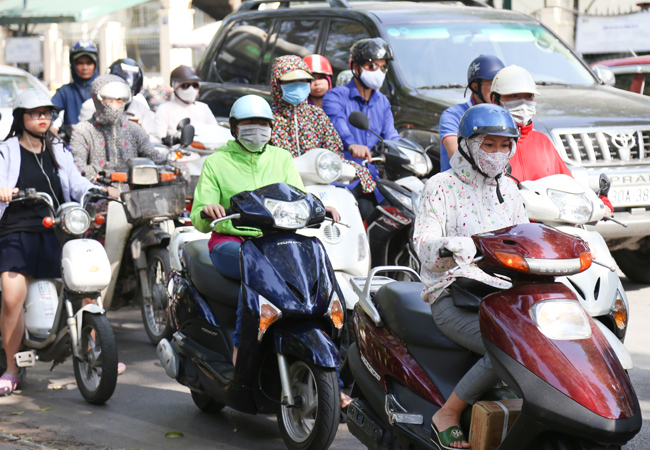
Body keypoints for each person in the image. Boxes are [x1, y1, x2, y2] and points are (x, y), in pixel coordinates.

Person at [413, 104, 527, 449]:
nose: (497, 153)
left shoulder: (510, 190)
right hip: (453, 296)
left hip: (504, 297)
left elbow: (523, 240)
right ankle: (447, 413)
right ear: (466, 145)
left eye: (504, 145)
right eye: (488, 144)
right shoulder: (440, 186)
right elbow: (423, 245)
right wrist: (451, 246)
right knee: (507, 348)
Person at [0, 90, 108, 395]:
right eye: (35, 113)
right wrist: (4, 190)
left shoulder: (57, 148)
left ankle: (100, 351)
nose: (42, 118)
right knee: (11, 297)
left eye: (47, 112)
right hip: (17, 229)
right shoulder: (6, 151)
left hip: (57, 226)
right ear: (21, 118)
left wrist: (95, 190)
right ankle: (11, 367)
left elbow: (74, 180)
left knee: (87, 288)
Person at [189, 95, 304, 367]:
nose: (257, 128)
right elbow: (198, 215)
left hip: (276, 243)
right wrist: (208, 210)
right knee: (256, 269)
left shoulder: (282, 158)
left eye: (263, 123)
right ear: (234, 127)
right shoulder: (217, 162)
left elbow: (301, 197)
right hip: (230, 242)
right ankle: (242, 350)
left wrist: (324, 208)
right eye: (249, 123)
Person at [489, 65, 614, 213]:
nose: (523, 103)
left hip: (545, 229)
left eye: (528, 96)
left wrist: (599, 203)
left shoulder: (542, 141)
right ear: (495, 100)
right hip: (502, 227)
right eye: (514, 96)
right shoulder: (485, 143)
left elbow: (568, 185)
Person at [322, 38, 400, 216]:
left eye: (383, 67)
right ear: (355, 67)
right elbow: (338, 124)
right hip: (345, 177)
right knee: (365, 212)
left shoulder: (383, 102)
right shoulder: (334, 97)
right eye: (373, 66)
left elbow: (391, 136)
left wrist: (405, 153)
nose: (379, 72)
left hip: (374, 177)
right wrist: (351, 144)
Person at [70, 74, 157, 183]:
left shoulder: (134, 129)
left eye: (119, 101)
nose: (115, 106)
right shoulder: (83, 131)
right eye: (110, 101)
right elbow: (76, 166)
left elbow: (153, 155)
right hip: (99, 194)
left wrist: (174, 163)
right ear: (98, 99)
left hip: (133, 193)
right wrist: (101, 172)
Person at [439, 54, 505, 172]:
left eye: (503, 84)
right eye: (494, 84)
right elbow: (459, 159)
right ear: (475, 87)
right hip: (457, 187)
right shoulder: (453, 116)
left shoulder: (505, 115)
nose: (499, 90)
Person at [78, 58, 157, 137]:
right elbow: (84, 137)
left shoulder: (141, 108)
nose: (117, 105)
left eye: (121, 100)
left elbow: (153, 139)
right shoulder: (91, 106)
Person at [154, 65, 217, 140]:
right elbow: (158, 138)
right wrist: (171, 140)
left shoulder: (203, 108)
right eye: (185, 85)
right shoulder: (165, 109)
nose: (191, 89)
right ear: (175, 86)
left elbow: (215, 132)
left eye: (195, 85)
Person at [51, 41, 99, 133]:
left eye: (89, 63)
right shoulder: (64, 92)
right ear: (73, 65)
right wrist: (49, 126)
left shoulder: (104, 90)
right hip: (71, 143)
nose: (85, 67)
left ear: (95, 65)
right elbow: (49, 113)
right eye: (80, 63)